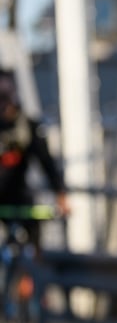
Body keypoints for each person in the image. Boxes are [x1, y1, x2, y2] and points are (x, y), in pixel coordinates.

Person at [0, 68, 69, 249]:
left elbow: (47, 162)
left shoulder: (29, 128)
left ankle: (30, 273)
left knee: (31, 245)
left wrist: (60, 195)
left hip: (19, 199)